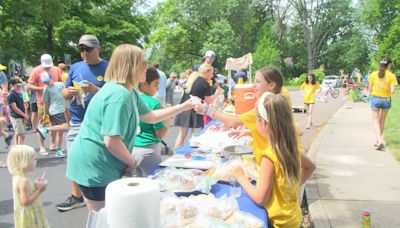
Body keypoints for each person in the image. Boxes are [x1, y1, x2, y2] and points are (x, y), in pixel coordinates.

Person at [66, 44, 193, 212]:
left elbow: (151, 116)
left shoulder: (129, 90)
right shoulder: (120, 95)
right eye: (143, 62)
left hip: (103, 163)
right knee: (104, 218)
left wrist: (181, 107)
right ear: (131, 66)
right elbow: (111, 140)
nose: (146, 67)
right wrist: (132, 162)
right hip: (95, 166)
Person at [230, 93, 315, 227]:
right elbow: (310, 167)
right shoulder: (289, 148)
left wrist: (240, 177)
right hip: (293, 217)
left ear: (264, 123)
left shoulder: (268, 157)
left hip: (277, 222)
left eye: (256, 119)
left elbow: (260, 199)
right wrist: (291, 187)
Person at [194, 67, 299, 158]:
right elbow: (275, 128)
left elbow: (234, 122)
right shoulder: (277, 101)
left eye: (258, 81)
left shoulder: (266, 107)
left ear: (271, 85)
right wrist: (250, 132)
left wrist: (207, 110)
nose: (253, 85)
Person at [56, 34, 108, 212]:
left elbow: (115, 94)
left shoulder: (107, 67)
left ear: (97, 49)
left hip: (100, 122)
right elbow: (63, 92)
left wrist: (96, 90)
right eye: (81, 49)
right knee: (74, 159)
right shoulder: (75, 67)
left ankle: (104, 195)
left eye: (87, 49)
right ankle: (76, 196)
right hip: (78, 120)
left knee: (99, 159)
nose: (84, 53)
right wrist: (69, 92)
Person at [133, 67, 171, 177]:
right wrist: (167, 116)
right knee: (152, 185)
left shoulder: (131, 97)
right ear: (144, 83)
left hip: (131, 150)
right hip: (148, 151)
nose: (158, 88)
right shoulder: (153, 103)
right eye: (155, 84)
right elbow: (160, 134)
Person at [174, 63, 222, 149]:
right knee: (196, 137)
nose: (212, 76)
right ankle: (192, 155)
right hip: (195, 111)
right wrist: (217, 94)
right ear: (206, 72)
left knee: (182, 135)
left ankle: (176, 153)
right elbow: (208, 100)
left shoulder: (193, 80)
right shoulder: (205, 84)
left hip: (184, 109)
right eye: (211, 73)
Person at [7, 145, 49, 228]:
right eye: (32, 159)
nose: (35, 161)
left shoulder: (17, 177)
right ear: (23, 162)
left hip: (23, 213)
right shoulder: (23, 181)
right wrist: (39, 190)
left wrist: (34, 185)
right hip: (30, 215)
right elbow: (25, 202)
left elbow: (24, 192)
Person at [28, 54, 62, 155]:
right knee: (43, 124)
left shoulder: (56, 69)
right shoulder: (36, 70)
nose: (47, 67)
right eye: (45, 66)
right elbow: (30, 85)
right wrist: (41, 89)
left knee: (54, 123)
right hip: (42, 102)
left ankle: (52, 144)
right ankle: (42, 146)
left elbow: (61, 82)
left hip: (55, 101)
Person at [37, 72, 69, 158]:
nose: (47, 82)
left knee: (59, 131)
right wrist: (45, 114)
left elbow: (66, 95)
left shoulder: (60, 85)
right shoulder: (46, 89)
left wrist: (67, 108)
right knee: (65, 127)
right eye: (45, 81)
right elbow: (45, 102)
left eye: (47, 80)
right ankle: (45, 130)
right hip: (56, 110)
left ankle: (57, 148)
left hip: (60, 109)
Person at [368, 57, 398, 150]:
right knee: (382, 121)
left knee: (375, 121)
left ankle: (379, 140)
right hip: (386, 100)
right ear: (389, 65)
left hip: (376, 98)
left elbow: (370, 88)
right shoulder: (392, 76)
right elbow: (393, 91)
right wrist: (390, 89)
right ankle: (378, 141)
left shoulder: (373, 74)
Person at [8, 77, 28, 145]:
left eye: (20, 86)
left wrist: (25, 114)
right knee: (21, 135)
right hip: (16, 117)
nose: (19, 87)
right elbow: (14, 108)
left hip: (21, 116)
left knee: (18, 134)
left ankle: (16, 148)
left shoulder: (19, 93)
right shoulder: (11, 94)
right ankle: (20, 150)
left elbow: (23, 105)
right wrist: (24, 115)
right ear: (11, 85)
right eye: (17, 86)